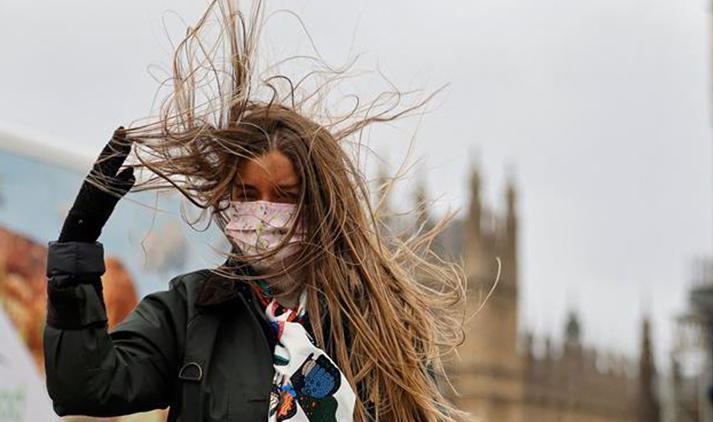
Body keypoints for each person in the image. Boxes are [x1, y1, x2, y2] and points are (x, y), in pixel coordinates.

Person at [43, 1, 469, 421]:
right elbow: (85, 387)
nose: (265, 211)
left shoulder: (374, 325)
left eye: (283, 194)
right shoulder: (192, 310)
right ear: (227, 199)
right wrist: (75, 254)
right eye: (247, 192)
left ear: (318, 205)